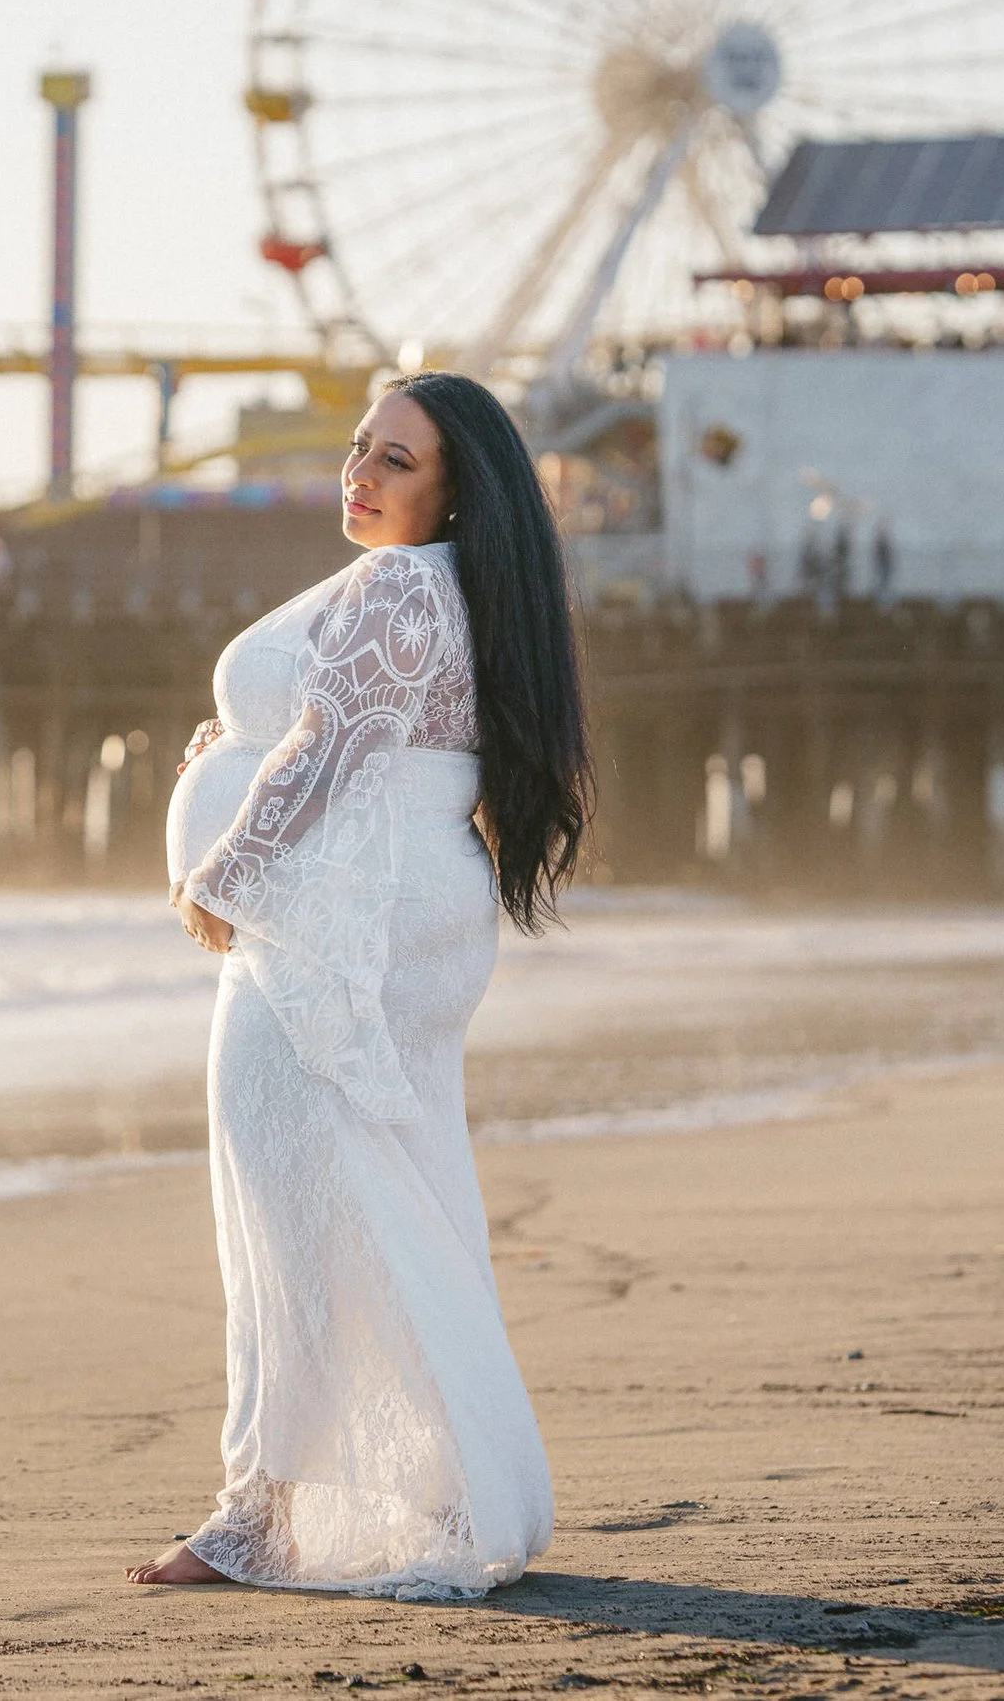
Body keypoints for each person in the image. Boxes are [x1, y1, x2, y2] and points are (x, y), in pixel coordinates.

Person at [130, 370, 589, 1600]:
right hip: (410, 916)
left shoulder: (397, 585)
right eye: (358, 449)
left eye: (395, 460)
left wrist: (223, 871)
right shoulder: (470, 594)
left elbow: (334, 749)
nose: (359, 473)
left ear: (454, 494)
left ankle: (262, 1515)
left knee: (288, 1213)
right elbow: (362, 735)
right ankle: (442, 1482)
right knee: (395, 1193)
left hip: (337, 934)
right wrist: (232, 759)